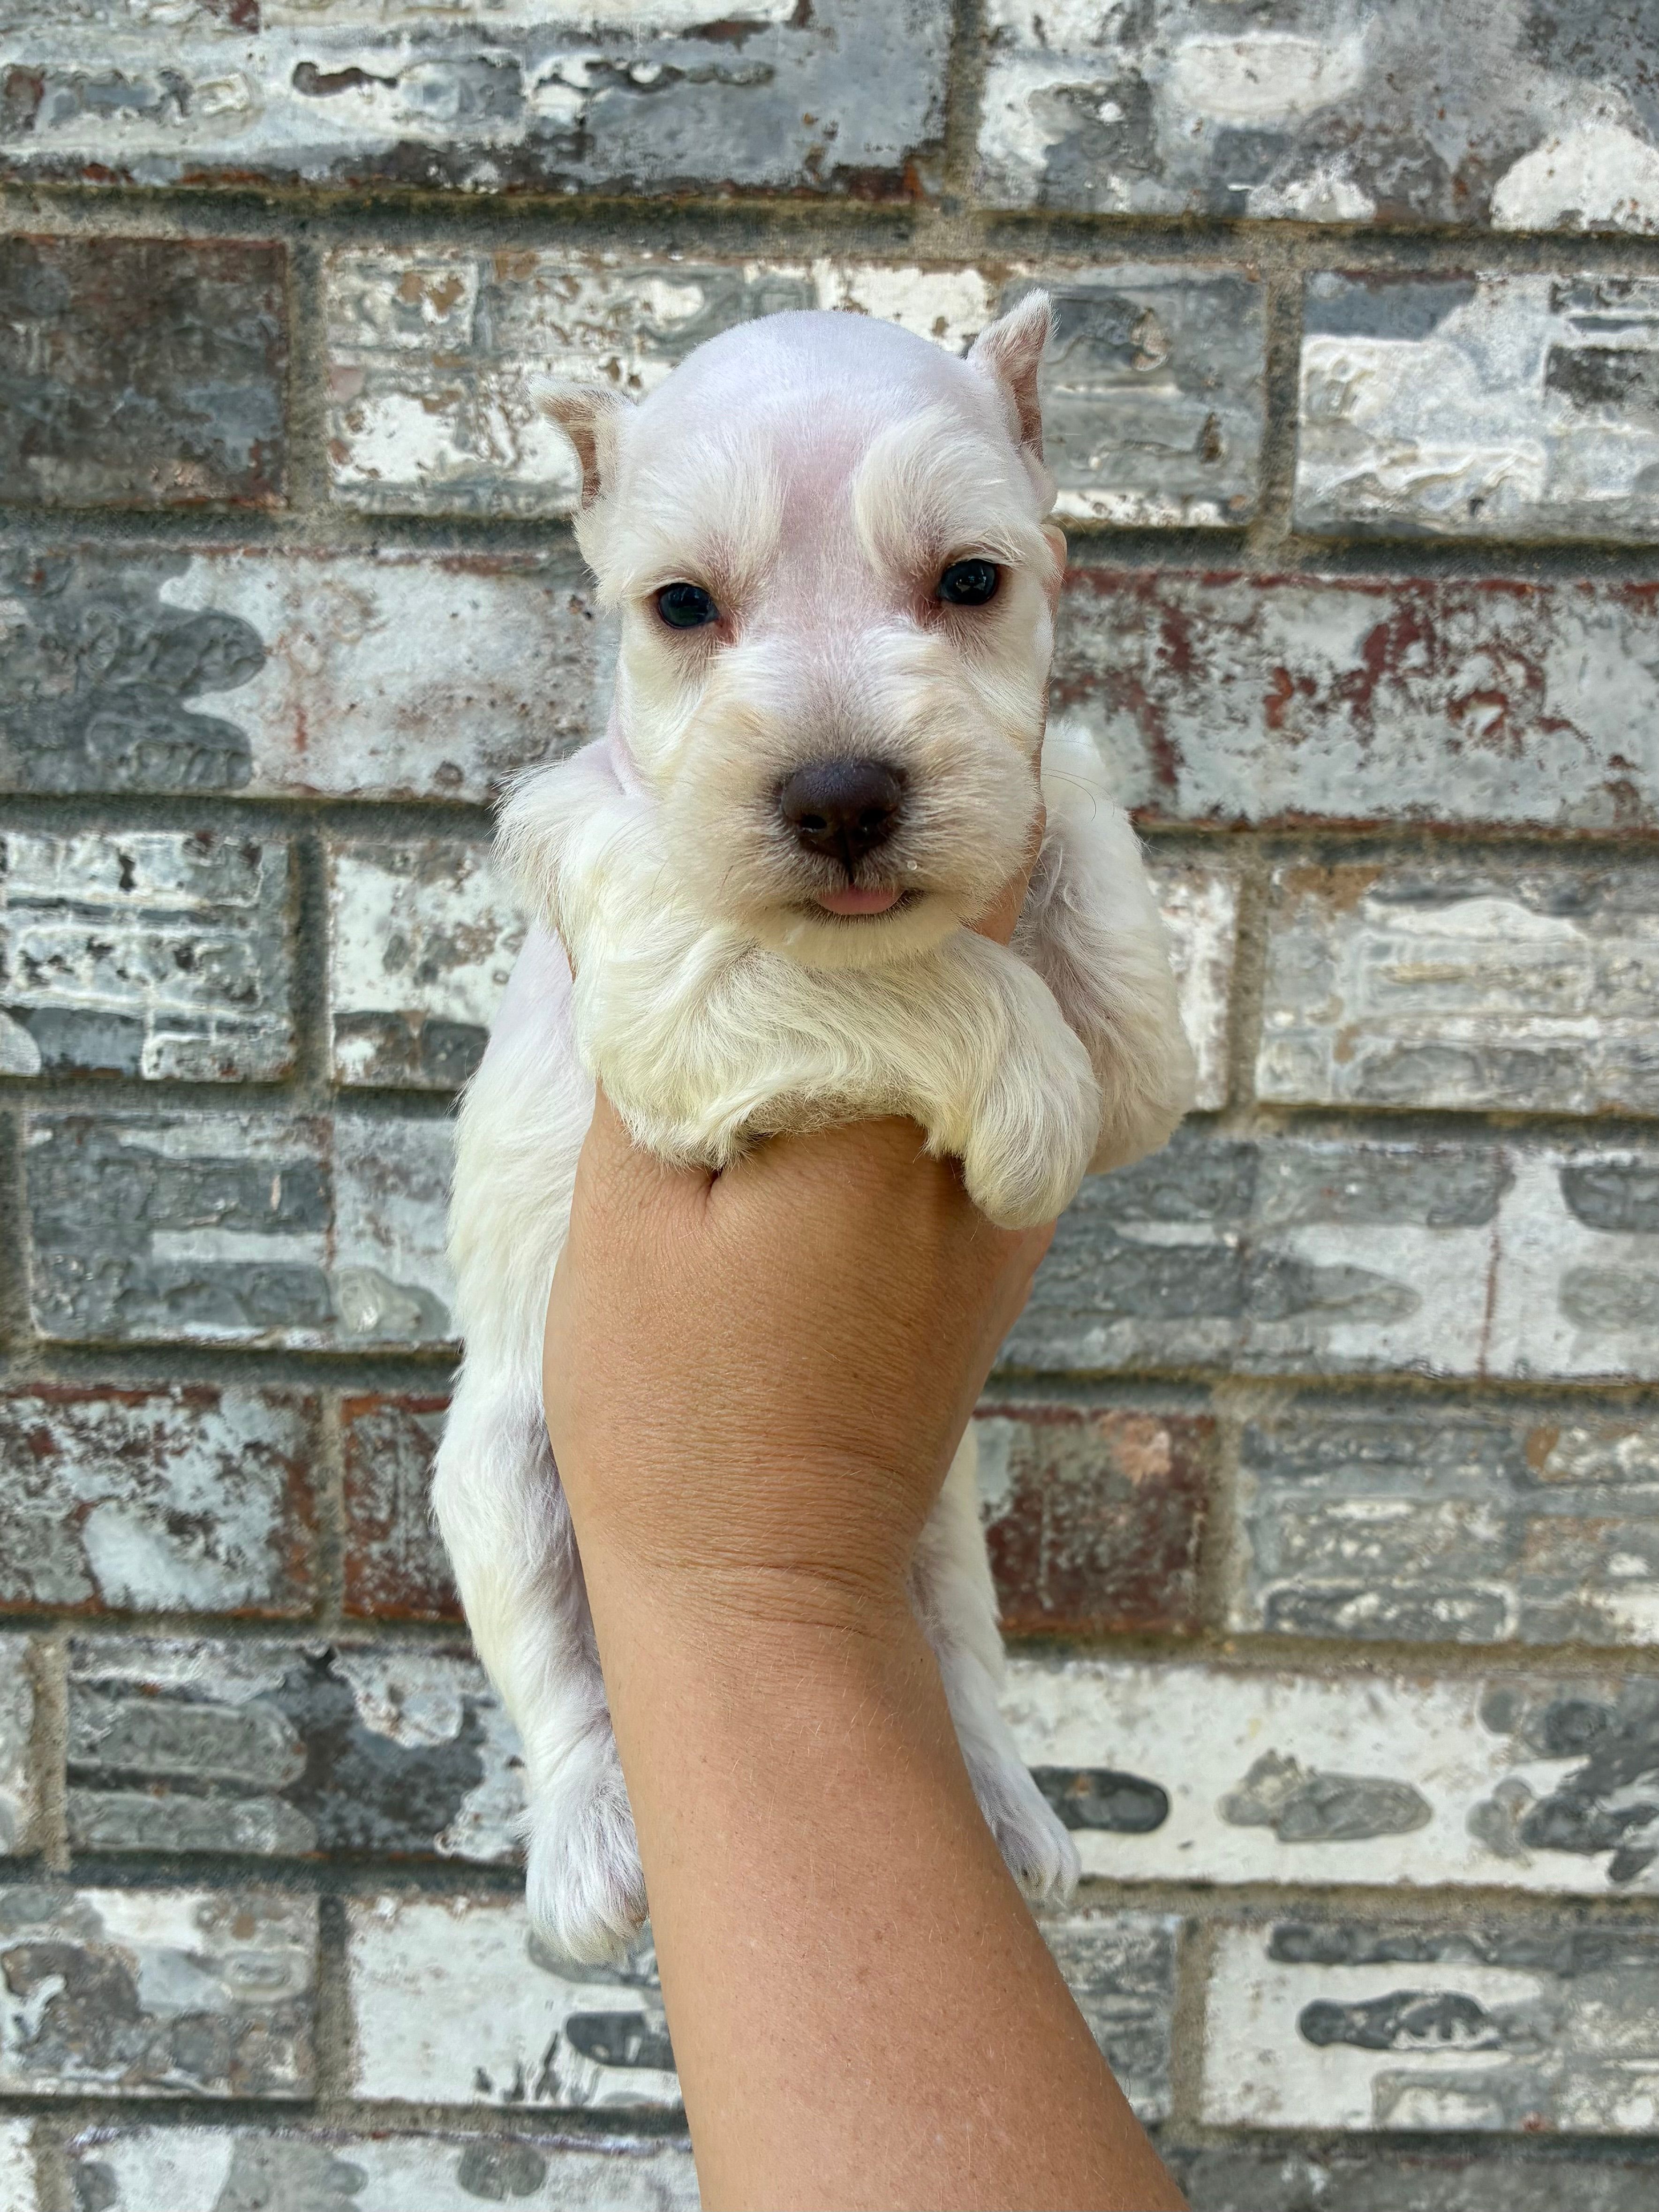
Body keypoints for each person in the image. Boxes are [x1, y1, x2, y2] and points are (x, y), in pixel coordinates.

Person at [540, 861, 1188, 2212]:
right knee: (509, 1468)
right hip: (575, 1395)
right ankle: (564, 1768)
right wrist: (990, 1028)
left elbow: (1128, 1096)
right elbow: (666, 1068)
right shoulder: (598, 830)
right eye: (685, 623)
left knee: (906, 1494)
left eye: (956, 622)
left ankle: (979, 1754)